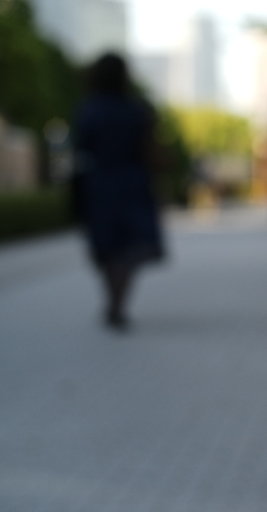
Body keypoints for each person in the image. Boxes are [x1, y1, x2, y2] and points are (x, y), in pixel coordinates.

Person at [73, 53, 164, 330]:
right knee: (128, 248)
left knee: (106, 246)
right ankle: (118, 303)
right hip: (133, 183)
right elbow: (150, 150)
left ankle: (112, 301)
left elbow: (80, 149)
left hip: (99, 184)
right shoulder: (137, 109)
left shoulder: (88, 110)